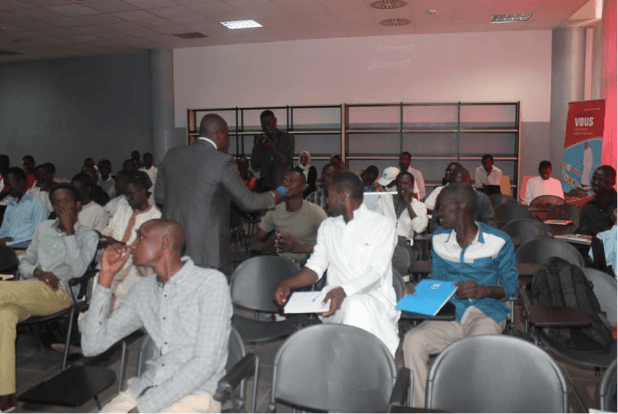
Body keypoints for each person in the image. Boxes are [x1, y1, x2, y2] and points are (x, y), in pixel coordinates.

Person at [81, 219, 231, 413]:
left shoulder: (210, 283)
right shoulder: (141, 290)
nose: (132, 245)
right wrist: (105, 278)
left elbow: (204, 364)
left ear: (165, 242)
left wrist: (145, 408)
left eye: (140, 237)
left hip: (196, 395)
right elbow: (92, 346)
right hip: (148, 387)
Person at [402, 182, 518, 408]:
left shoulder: (498, 241)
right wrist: (417, 288)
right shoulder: (439, 239)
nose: (437, 214)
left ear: (460, 206)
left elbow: (511, 288)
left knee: (475, 351)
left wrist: (484, 290)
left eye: (442, 207)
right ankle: (420, 408)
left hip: (487, 313)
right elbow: (437, 280)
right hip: (452, 314)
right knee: (413, 340)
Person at [274, 172, 400, 356]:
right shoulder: (328, 227)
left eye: (329, 195)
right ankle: (363, 365)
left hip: (375, 302)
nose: (326, 201)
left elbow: (376, 272)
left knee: (355, 306)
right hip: (334, 304)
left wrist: (344, 291)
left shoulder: (382, 225)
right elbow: (316, 267)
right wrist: (288, 283)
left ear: (342, 195)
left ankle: (364, 365)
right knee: (351, 308)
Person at [0, 183, 98, 413]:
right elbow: (24, 262)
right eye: (56, 202)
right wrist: (37, 272)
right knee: (3, 317)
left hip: (60, 293)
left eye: (66, 201)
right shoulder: (44, 228)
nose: (61, 206)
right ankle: (6, 394)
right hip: (30, 290)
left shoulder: (88, 235)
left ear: (77, 204)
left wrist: (70, 232)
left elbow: (78, 271)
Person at [155, 113, 281, 274]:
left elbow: (159, 197)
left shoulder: (171, 155)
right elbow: (247, 201)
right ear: (220, 134)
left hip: (171, 245)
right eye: (227, 137)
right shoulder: (223, 161)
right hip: (205, 249)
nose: (227, 142)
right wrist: (272, 196)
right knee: (206, 290)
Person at [97, 171, 161, 313]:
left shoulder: (156, 218)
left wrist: (121, 246)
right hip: (113, 259)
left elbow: (151, 254)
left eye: (131, 194)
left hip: (136, 268)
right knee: (98, 280)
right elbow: (109, 230)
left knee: (115, 289)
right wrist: (100, 235)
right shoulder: (123, 210)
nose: (128, 198)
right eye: (126, 195)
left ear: (143, 192)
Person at [250, 170, 327, 265]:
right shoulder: (274, 211)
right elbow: (253, 243)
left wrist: (300, 248)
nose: (286, 184)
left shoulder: (315, 212)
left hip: (307, 266)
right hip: (282, 265)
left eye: (292, 181)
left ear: (303, 187)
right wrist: (268, 245)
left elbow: (331, 243)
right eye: (284, 181)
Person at [375, 171, 428, 277]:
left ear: (412, 186)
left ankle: (397, 281)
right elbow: (376, 223)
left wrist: (408, 204)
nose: (402, 187)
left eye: (405, 184)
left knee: (400, 261)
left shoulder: (419, 206)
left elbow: (419, 227)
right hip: (384, 243)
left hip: (404, 245)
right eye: (399, 184)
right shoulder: (384, 200)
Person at [429, 167, 495, 231]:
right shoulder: (443, 198)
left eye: (462, 183)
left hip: (475, 235)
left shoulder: (481, 198)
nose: (459, 187)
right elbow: (434, 224)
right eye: (455, 184)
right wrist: (447, 234)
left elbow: (490, 225)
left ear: (469, 182)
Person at [0, 168, 47, 247]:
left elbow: (39, 236)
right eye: (6, 185)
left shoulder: (37, 203)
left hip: (26, 249)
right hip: (8, 248)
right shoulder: (11, 205)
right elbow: (3, 232)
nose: (7, 188)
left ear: (21, 182)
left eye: (9, 185)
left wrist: (9, 242)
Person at [251, 110, 295, 191]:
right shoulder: (261, 140)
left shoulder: (287, 138)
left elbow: (288, 162)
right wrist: (256, 148)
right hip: (265, 187)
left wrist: (272, 148)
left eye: (269, 122)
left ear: (275, 121)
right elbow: (255, 167)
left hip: (283, 186)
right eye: (264, 123)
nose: (266, 126)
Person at [576, 165, 617, 236]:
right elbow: (582, 231)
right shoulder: (588, 206)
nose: (596, 182)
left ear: (612, 182)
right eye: (594, 179)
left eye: (601, 180)